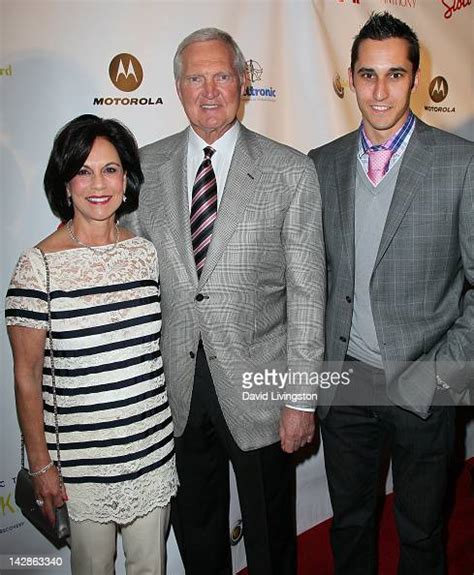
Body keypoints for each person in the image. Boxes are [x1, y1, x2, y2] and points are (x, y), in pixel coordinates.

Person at [123, 27, 325, 575]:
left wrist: (302, 399)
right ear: (177, 87)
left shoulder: (290, 171)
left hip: (263, 390)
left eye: (221, 75)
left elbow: (308, 294)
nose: (208, 90)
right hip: (171, 394)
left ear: (243, 80)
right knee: (197, 536)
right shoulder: (141, 170)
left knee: (270, 538)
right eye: (195, 77)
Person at [309, 12, 473, 575]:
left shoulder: (459, 163)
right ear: (351, 78)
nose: (380, 91)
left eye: (395, 75)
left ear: (415, 78)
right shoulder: (322, 164)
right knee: (350, 526)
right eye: (368, 75)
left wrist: (442, 373)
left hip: (426, 381)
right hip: (347, 379)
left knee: (421, 532)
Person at [5, 114, 178, 575]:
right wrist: (42, 467)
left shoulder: (145, 254)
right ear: (65, 183)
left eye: (110, 169)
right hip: (79, 470)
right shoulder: (36, 267)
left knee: (150, 569)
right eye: (83, 170)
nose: (97, 183)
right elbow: (26, 375)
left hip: (151, 451)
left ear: (126, 179)